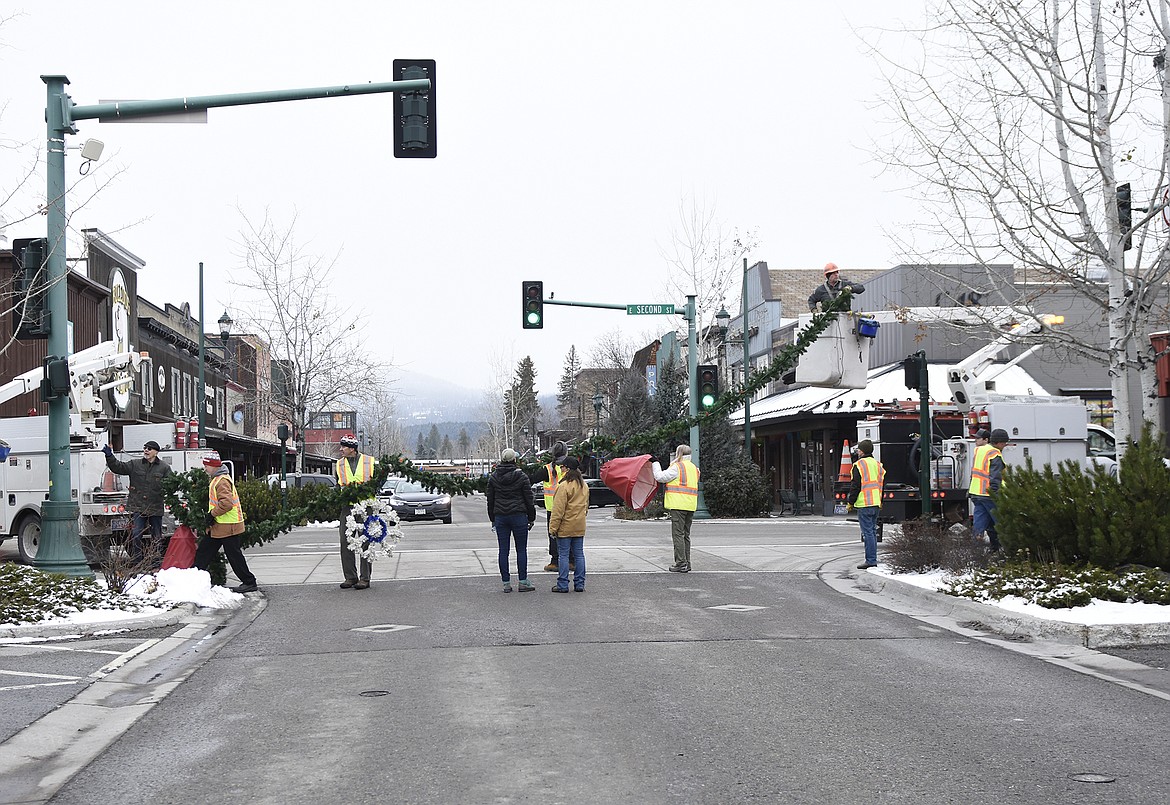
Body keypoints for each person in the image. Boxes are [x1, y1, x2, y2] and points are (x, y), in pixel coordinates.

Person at [193, 451, 258, 593]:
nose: (205, 469)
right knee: (205, 552)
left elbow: (227, 504)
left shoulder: (221, 480)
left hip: (227, 526)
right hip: (221, 526)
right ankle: (194, 577)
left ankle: (249, 582)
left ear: (213, 466)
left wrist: (212, 514)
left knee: (232, 555)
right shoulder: (218, 479)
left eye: (206, 466)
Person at [102, 439, 172, 566]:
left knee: (157, 535)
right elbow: (118, 467)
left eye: (149, 449)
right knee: (136, 533)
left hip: (155, 506)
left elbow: (171, 484)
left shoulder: (164, 468)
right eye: (145, 448)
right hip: (138, 506)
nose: (146, 450)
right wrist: (109, 456)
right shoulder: (135, 464)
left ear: (156, 452)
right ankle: (137, 561)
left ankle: (155, 562)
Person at [487, 448, 537, 593]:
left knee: (503, 550)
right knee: (521, 550)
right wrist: (531, 517)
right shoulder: (521, 476)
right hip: (519, 515)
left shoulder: (494, 477)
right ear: (514, 460)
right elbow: (529, 498)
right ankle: (523, 581)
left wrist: (493, 519)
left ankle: (506, 583)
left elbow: (490, 500)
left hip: (501, 517)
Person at [335, 433, 377, 590]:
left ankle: (365, 578)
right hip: (347, 507)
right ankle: (350, 577)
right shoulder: (339, 465)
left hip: (366, 506)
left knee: (366, 542)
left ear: (352, 449)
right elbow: (338, 485)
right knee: (345, 542)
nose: (341, 449)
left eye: (343, 447)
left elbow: (378, 481)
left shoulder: (369, 462)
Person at [652, 444, 700, 572]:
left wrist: (655, 463)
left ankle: (680, 563)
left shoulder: (677, 467)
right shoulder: (695, 468)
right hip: (690, 505)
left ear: (679, 453)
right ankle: (687, 563)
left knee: (678, 534)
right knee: (686, 535)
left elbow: (660, 477)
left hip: (678, 505)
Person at [548, 456, 588, 593]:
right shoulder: (584, 486)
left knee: (563, 555)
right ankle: (580, 583)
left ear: (567, 469)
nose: (561, 468)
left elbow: (558, 510)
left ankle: (563, 584)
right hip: (579, 525)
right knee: (579, 555)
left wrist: (553, 528)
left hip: (565, 526)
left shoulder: (563, 486)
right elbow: (586, 507)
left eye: (563, 466)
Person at [969, 428, 1008, 552]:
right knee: (1001, 522)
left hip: (976, 492)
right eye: (1005, 443)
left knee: (980, 523)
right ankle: (1008, 550)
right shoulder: (994, 454)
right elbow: (995, 476)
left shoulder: (979, 450)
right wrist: (995, 493)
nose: (1005, 445)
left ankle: (976, 550)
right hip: (988, 493)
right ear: (1000, 442)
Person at [848, 439, 886, 569]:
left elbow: (855, 486)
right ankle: (872, 558)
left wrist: (850, 502)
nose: (857, 451)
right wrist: (880, 501)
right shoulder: (878, 465)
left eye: (859, 449)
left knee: (868, 533)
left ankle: (871, 560)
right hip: (875, 503)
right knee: (872, 532)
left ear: (862, 451)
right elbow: (881, 485)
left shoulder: (859, 465)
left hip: (864, 503)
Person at [535, 441, 570, 572]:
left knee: (553, 535)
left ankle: (555, 561)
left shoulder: (548, 469)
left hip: (552, 508)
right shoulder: (570, 467)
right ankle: (571, 560)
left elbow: (532, 478)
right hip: (568, 507)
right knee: (569, 534)